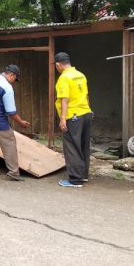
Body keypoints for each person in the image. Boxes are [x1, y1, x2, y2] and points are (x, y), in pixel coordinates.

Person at [54, 52, 93, 188]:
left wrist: (63, 119)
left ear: (58, 65)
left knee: (72, 147)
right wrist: (88, 109)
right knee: (83, 146)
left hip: (73, 116)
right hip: (86, 113)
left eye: (56, 66)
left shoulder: (64, 78)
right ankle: (83, 175)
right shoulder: (80, 75)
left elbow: (65, 99)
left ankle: (75, 180)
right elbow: (87, 96)